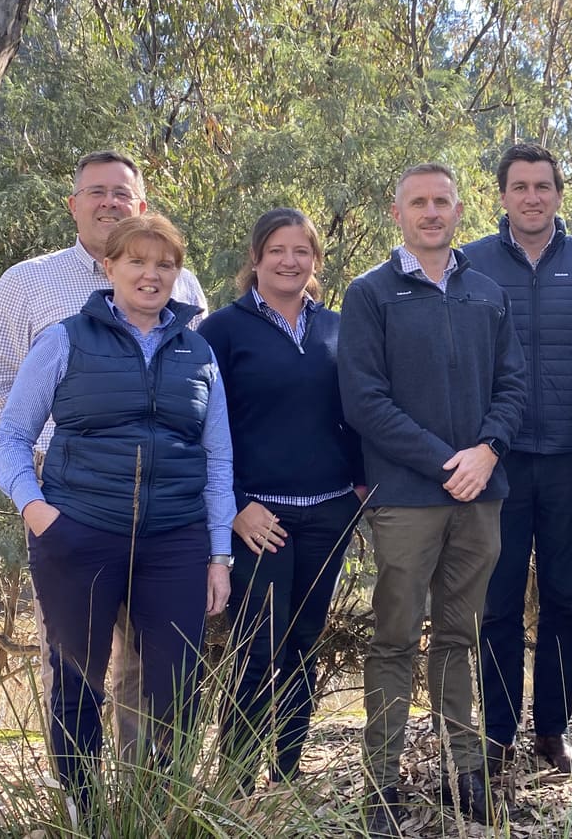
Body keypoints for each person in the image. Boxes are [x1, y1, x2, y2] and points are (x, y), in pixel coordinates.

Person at [0, 213, 235, 809]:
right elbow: (13, 434)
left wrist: (219, 553)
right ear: (111, 267)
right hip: (80, 534)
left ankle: (161, 803)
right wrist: (37, 511)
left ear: (177, 275)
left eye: (165, 265)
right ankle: (84, 806)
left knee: (175, 684)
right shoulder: (65, 339)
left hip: (174, 540)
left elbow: (219, 458)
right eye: (137, 262)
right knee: (78, 678)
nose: (151, 275)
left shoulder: (197, 352)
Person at [0, 150, 207, 759]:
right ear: (73, 204)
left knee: (153, 662)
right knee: (75, 660)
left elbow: (193, 394)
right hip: (68, 500)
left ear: (142, 206)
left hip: (165, 512)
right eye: (95, 191)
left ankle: (140, 797)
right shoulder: (27, 283)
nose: (109, 202)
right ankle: (79, 802)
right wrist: (48, 479)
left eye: (121, 193)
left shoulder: (180, 283)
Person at [338, 163, 525, 836]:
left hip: (482, 493)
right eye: (418, 202)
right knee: (392, 640)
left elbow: (513, 386)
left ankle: (465, 775)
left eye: (441, 202)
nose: (431, 213)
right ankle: (382, 787)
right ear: (398, 213)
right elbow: (363, 400)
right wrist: (445, 461)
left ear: (459, 209)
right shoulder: (370, 294)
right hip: (409, 498)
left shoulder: (488, 292)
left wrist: (487, 450)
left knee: (460, 635)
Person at [197, 208, 366, 792]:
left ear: (315, 261)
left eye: (301, 251)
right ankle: (238, 785)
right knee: (257, 650)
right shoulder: (221, 331)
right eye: (277, 251)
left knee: (302, 644)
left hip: (330, 512)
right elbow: (200, 430)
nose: (290, 261)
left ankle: (288, 775)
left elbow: (356, 416)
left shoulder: (340, 328)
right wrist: (236, 505)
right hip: (259, 518)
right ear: (256, 258)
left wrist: (362, 484)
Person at [461, 143, 572, 775]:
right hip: (494, 462)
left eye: (543, 186)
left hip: (570, 458)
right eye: (520, 186)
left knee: (563, 599)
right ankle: (498, 736)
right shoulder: (469, 263)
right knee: (496, 603)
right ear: (501, 195)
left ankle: (553, 731)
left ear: (558, 193)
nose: (532, 196)